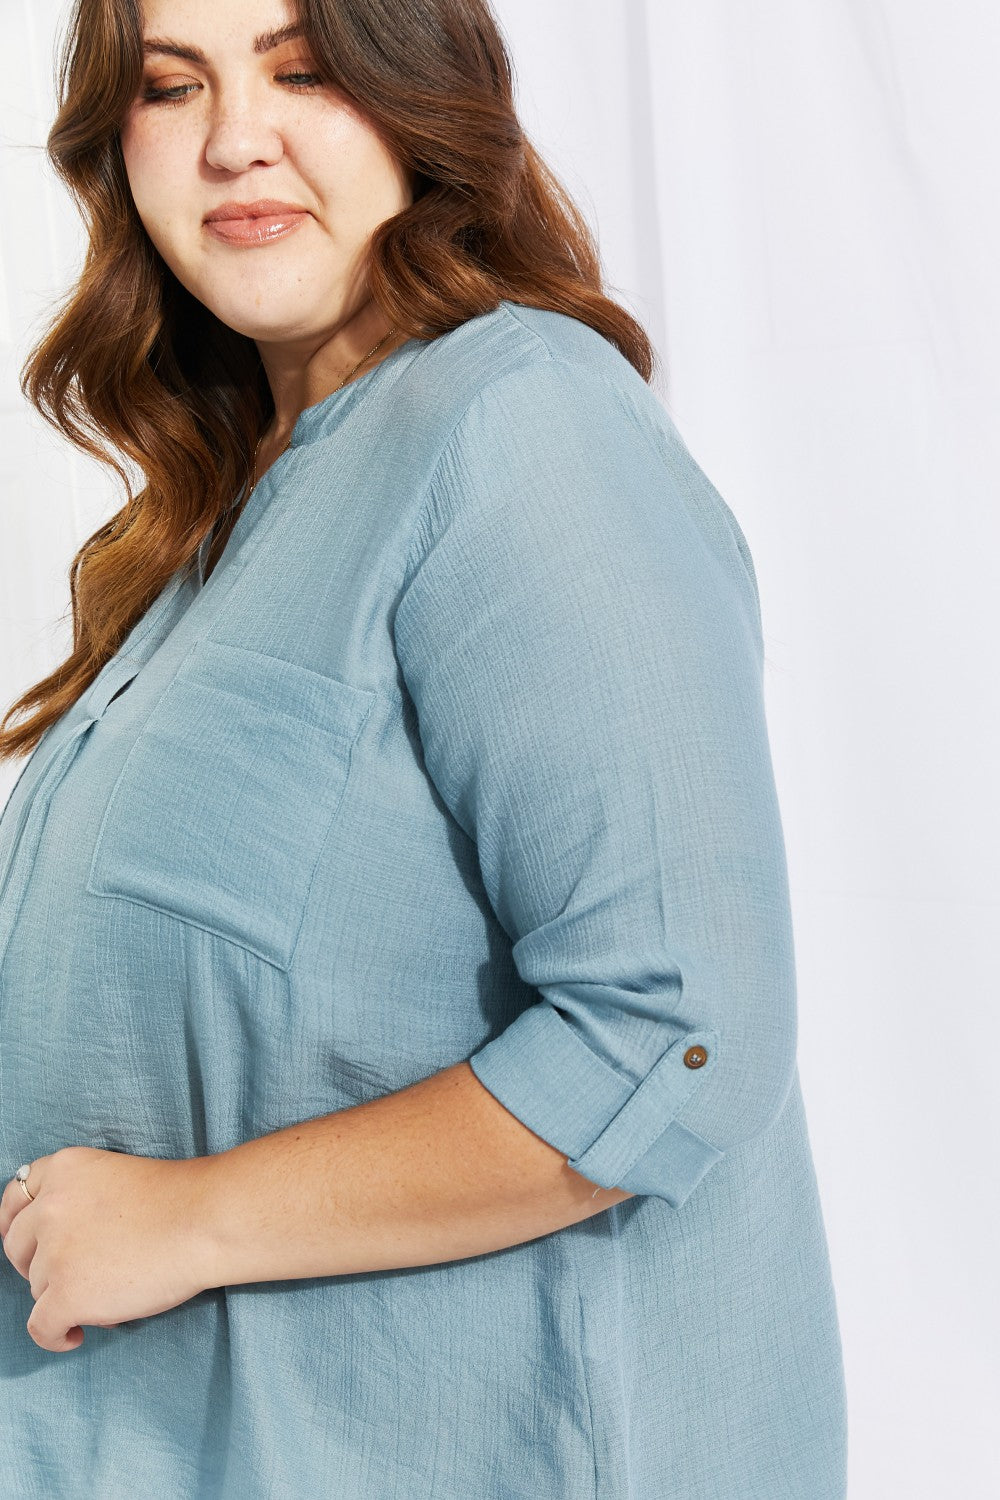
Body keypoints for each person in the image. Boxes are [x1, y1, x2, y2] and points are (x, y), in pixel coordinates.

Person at [0, 0, 848, 1495]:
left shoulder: (522, 430)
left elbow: (677, 1035)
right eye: (169, 86)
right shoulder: (226, 513)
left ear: (419, 97)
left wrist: (193, 1217)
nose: (233, 139)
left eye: (302, 68)